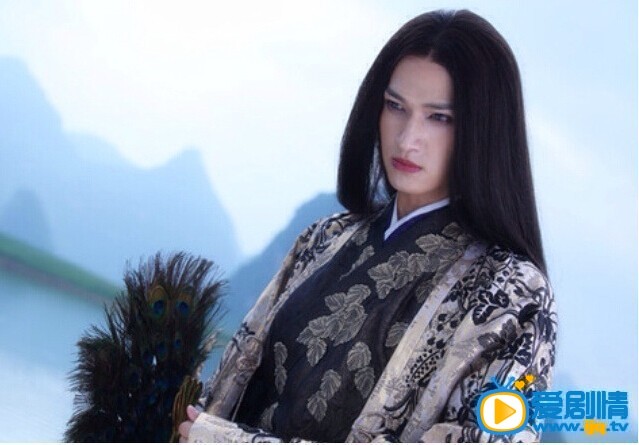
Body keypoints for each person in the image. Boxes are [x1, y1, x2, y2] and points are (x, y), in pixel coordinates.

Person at [178, 8, 557, 443]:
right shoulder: (324, 240)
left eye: (439, 117)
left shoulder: (514, 293)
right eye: (395, 106)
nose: (407, 138)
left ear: (484, 129)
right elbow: (225, 392)